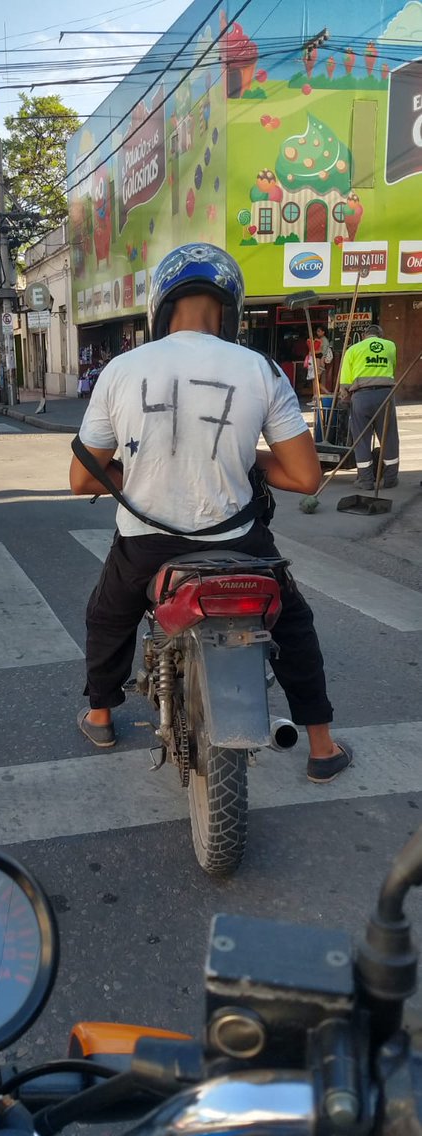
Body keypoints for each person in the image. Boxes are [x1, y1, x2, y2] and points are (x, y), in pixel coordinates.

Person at [69, 243, 352, 784]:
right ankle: (321, 746)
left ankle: (102, 715)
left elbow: (84, 478)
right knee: (293, 624)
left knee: (108, 615)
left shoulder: (121, 370)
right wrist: (245, 459)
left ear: (161, 305)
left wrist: (149, 469)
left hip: (145, 546)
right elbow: (305, 477)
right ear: (230, 306)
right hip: (240, 544)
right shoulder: (262, 369)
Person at [338, 323, 398, 489]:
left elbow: (344, 384)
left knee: (361, 440)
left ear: (364, 336)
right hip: (385, 396)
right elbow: (392, 368)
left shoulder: (353, 350)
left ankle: (366, 481)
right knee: (389, 437)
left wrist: (346, 398)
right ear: (380, 335)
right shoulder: (390, 346)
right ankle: (391, 479)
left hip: (361, 397)